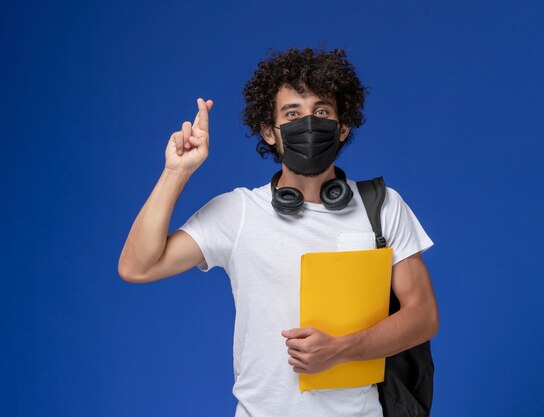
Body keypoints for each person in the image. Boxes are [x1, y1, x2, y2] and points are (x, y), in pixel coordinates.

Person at [118, 47, 439, 417]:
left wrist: (341, 349)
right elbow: (137, 267)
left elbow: (423, 316)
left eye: (321, 111)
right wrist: (176, 172)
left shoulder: (382, 206)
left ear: (343, 126)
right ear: (269, 132)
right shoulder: (238, 212)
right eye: (292, 113)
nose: (308, 122)